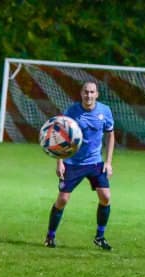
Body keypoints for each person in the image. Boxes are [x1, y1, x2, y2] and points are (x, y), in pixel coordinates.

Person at [44, 81, 115, 250]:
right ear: (81, 93)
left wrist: (108, 162)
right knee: (62, 199)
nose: (88, 95)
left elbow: (110, 135)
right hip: (73, 163)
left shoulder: (105, 111)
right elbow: (58, 136)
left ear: (97, 94)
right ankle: (50, 236)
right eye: (86, 92)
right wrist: (60, 161)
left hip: (95, 162)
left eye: (92, 92)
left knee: (105, 197)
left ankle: (100, 237)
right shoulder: (72, 111)